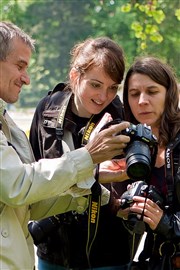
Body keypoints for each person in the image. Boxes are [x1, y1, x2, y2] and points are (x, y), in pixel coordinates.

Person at [0, 21, 131, 270]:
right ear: (74, 76)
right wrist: (89, 158)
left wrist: (99, 191)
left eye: (113, 88)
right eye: (20, 66)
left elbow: (30, 195)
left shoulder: (123, 116)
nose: (104, 96)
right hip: (53, 252)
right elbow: (22, 184)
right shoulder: (47, 108)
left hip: (109, 252)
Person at [121, 56, 180, 270]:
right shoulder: (128, 143)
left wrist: (166, 222)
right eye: (134, 94)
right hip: (155, 260)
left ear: (169, 94)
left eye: (152, 92)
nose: (142, 101)